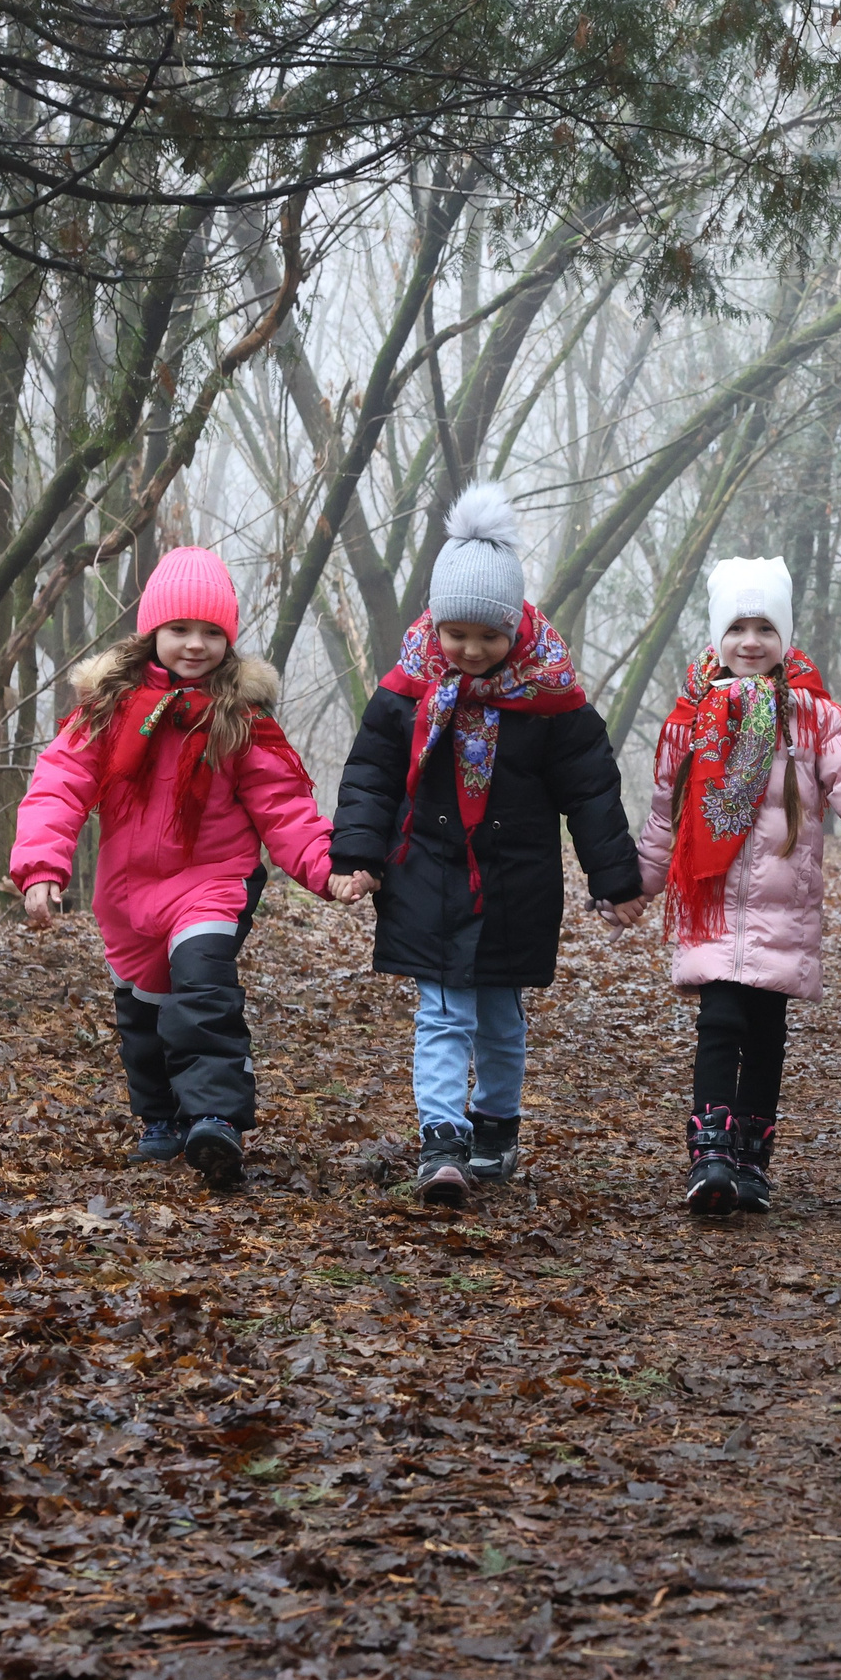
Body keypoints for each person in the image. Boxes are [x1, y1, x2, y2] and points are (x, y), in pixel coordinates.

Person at [326, 484, 643, 1207]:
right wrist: (357, 857)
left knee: (499, 1016)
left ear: (516, 630)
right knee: (441, 1012)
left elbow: (590, 791)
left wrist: (613, 877)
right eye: (455, 633)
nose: (470, 650)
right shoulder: (406, 690)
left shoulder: (553, 700)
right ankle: (442, 1137)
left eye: (488, 637)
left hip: (516, 879)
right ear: (434, 624)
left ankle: (494, 1123)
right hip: (425, 873)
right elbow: (372, 776)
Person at [12, 546, 340, 1190]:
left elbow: (284, 807)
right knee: (143, 1010)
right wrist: (42, 867)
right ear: (153, 633)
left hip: (213, 881)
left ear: (229, 639)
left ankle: (214, 1116)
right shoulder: (107, 709)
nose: (195, 644)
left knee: (202, 985)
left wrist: (328, 869)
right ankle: (160, 1119)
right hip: (128, 890)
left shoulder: (239, 718)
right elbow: (59, 786)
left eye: (211, 632)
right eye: (180, 630)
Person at [634, 556, 841, 1216]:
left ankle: (750, 1156)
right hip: (712, 900)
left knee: (765, 1030)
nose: (751, 641)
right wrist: (636, 885)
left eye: (765, 626)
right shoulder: (691, 718)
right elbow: (665, 813)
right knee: (720, 1018)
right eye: (737, 627)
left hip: (781, 904)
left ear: (784, 636)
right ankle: (710, 1148)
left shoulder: (816, 719)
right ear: (717, 637)